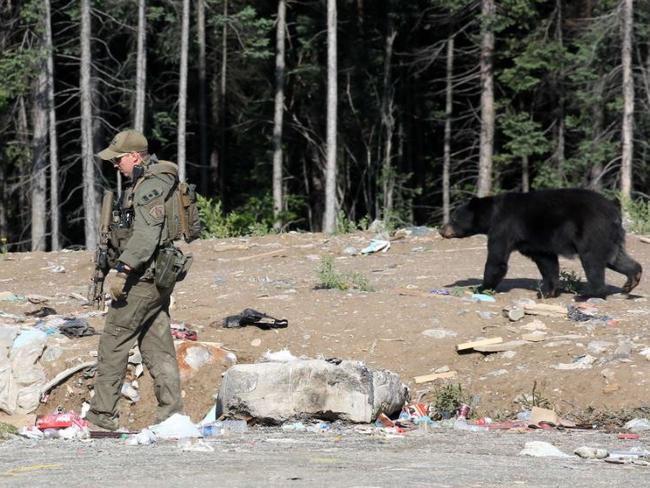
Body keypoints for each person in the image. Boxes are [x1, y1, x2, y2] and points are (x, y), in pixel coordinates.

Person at [86, 129, 184, 431]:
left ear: (134, 156)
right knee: (157, 347)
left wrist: (123, 270)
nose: (116, 166)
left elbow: (146, 235)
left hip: (142, 278)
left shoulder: (149, 187)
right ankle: (172, 417)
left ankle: (102, 418)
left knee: (113, 343)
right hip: (155, 279)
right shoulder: (150, 182)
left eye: (118, 161)